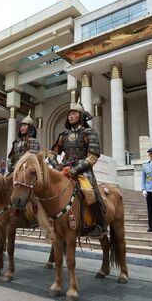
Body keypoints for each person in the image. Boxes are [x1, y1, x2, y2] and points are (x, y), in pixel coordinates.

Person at [48, 101, 104, 238]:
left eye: (74, 113)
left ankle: (99, 225)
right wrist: (56, 166)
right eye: (69, 114)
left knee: (89, 192)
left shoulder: (89, 132)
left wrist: (77, 169)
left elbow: (93, 156)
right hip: (64, 168)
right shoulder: (63, 134)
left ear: (81, 116)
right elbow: (51, 153)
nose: (70, 116)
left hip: (82, 171)